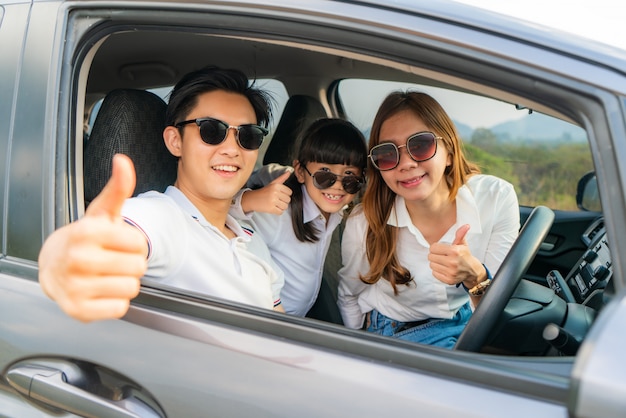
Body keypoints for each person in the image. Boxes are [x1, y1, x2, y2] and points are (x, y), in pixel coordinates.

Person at [38, 66, 286, 322]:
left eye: (248, 135)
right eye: (212, 131)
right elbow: (110, 240)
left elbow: (281, 324)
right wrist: (71, 260)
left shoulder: (251, 237)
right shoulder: (163, 218)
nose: (232, 150)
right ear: (175, 141)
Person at [337, 91, 520, 348]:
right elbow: (349, 294)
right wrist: (355, 351)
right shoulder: (365, 222)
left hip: (465, 319)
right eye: (388, 154)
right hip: (398, 330)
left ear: (449, 152)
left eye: (420, 145)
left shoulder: (496, 198)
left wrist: (476, 277)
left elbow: (492, 310)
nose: (406, 164)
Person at [230, 118, 367, 316]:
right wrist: (250, 200)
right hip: (274, 321)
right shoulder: (278, 212)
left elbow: (270, 171)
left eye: (349, 177)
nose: (337, 186)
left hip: (300, 320)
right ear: (301, 173)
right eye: (324, 175)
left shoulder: (336, 208)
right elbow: (215, 213)